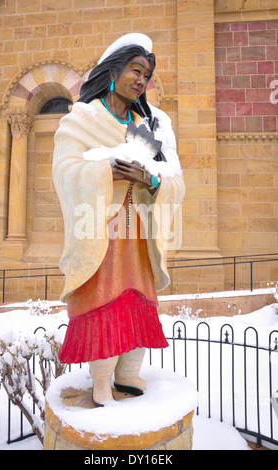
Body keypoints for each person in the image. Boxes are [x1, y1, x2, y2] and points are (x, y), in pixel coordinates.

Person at [53, 33, 185, 407]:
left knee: (139, 298)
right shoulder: (83, 119)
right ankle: (100, 384)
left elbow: (175, 178)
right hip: (99, 231)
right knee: (105, 300)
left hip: (139, 232)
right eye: (136, 70)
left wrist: (151, 179)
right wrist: (106, 171)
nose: (142, 81)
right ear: (113, 71)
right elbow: (64, 170)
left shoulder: (150, 127)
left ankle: (127, 376)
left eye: (147, 75)